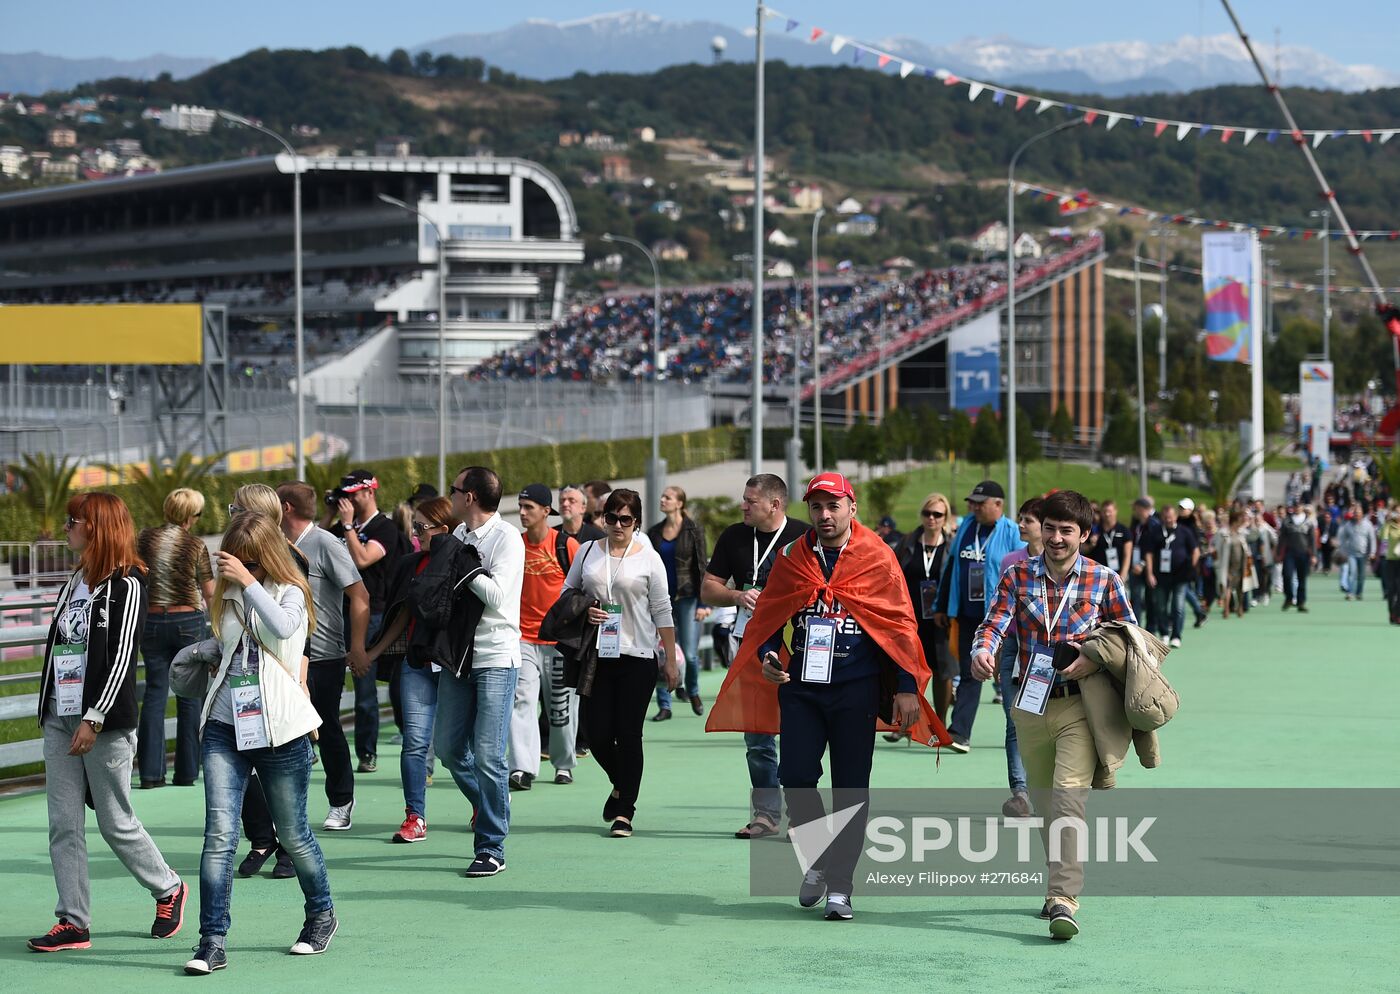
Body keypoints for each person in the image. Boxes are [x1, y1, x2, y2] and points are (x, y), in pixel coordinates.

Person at [707, 472, 946, 922]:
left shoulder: (878, 556)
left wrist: (907, 687)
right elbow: (769, 619)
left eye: (834, 505)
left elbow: (899, 626)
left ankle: (840, 886)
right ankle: (816, 859)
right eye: (816, 507)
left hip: (856, 688)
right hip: (801, 688)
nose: (825, 515)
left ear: (852, 508)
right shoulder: (792, 557)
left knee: (850, 788)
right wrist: (769, 656)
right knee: (795, 775)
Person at [971, 489, 1136, 941]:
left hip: (1080, 704)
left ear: (1085, 534)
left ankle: (1065, 897)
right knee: (1045, 804)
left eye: (1067, 530)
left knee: (1066, 797)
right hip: (1029, 701)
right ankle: (1055, 885)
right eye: (1050, 529)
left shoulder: (1104, 580)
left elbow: (1131, 636)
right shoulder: (1018, 575)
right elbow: (995, 622)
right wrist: (982, 651)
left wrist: (1096, 655)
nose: (1057, 538)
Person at [29, 492, 187, 954]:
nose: (65, 527)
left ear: (95, 527)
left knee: (116, 821)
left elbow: (121, 656)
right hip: (61, 715)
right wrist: (53, 708)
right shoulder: (74, 579)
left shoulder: (128, 584)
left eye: (72, 520)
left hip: (102, 721)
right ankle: (72, 920)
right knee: (63, 823)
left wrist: (94, 718)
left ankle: (168, 887)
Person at [182, 512, 335, 974]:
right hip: (225, 726)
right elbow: (229, 644)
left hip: (280, 728)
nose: (242, 565)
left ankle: (321, 915)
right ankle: (212, 940)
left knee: (293, 833)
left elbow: (284, 631)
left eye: (251, 559)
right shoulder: (227, 594)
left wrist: (247, 581)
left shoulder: (290, 591)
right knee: (219, 836)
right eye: (237, 557)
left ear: (266, 554)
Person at [562, 488, 678, 837]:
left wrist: (670, 659)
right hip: (597, 656)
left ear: (636, 522)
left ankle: (625, 810)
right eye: (610, 517)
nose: (616, 525)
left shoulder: (648, 558)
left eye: (624, 519)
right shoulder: (587, 552)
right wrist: (587, 609)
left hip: (638, 655)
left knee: (628, 735)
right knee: (596, 735)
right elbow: (569, 592)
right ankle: (621, 783)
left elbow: (662, 610)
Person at [700, 473, 810, 839]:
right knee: (758, 736)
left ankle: (802, 815)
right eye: (744, 500)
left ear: (774, 504)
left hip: (798, 649)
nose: (743, 506)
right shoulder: (734, 536)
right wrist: (737, 597)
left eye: (750, 500)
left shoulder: (804, 537)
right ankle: (765, 814)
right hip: (748, 646)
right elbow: (708, 589)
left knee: (798, 732)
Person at [438, 466, 525, 877]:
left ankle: (491, 845)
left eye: (454, 490)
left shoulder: (507, 538)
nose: (450, 496)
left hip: (495, 655)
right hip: (458, 656)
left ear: (469, 496)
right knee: (449, 748)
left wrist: (465, 566)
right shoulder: (458, 535)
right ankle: (491, 803)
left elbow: (496, 596)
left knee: (490, 754)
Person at [365, 496, 461, 842]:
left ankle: (485, 803)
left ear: (444, 530)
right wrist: (373, 650)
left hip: (454, 666)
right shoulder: (409, 565)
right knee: (414, 744)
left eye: (421, 527)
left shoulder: (462, 562)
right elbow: (401, 614)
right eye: (414, 525)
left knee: (458, 750)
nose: (414, 532)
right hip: (417, 664)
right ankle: (415, 816)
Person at [277, 482, 371, 832]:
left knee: (326, 727)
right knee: (286, 732)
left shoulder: (326, 543)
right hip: (284, 651)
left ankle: (341, 799)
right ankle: (285, 813)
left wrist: (357, 646)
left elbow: (360, 596)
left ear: (285, 507)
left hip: (323, 653)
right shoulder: (275, 543)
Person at [932, 480, 1025, 754]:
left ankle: (1021, 732)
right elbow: (951, 567)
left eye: (979, 503)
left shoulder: (1011, 532)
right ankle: (959, 732)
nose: (974, 507)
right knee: (970, 672)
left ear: (998, 505)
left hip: (1001, 619)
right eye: (972, 503)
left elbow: (1023, 571)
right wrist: (941, 604)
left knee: (1008, 677)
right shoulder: (967, 526)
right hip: (968, 616)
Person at [135, 487, 214, 789]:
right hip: (187, 621)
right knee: (189, 694)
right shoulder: (195, 545)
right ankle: (186, 772)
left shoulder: (144, 539)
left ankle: (151, 774)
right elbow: (208, 592)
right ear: (191, 516)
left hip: (151, 620)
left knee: (155, 694)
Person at [328, 470, 406, 774]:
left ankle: (367, 751)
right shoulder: (343, 525)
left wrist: (347, 526)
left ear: (370, 492)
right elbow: (312, 545)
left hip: (374, 613)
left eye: (353, 495)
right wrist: (329, 515)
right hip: (343, 612)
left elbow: (362, 559)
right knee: (337, 683)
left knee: (367, 689)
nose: (347, 500)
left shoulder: (383, 528)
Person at [508, 484, 580, 790]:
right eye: (520, 507)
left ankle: (563, 763)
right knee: (520, 701)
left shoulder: (566, 545)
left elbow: (584, 586)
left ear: (545, 512)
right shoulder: (515, 545)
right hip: (523, 638)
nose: (522, 513)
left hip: (559, 643)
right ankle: (523, 767)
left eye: (529, 507)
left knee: (560, 708)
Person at [993, 496, 1044, 818]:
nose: (1021, 525)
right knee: (1016, 721)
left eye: (1028, 520)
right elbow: (999, 608)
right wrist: (995, 646)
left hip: (1048, 652)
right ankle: (1021, 793)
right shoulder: (1011, 561)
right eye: (1020, 519)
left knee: (1046, 721)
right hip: (1014, 646)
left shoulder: (1065, 564)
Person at [891, 492, 956, 733]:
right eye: (927, 513)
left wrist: (950, 611)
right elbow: (893, 574)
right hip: (910, 618)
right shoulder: (907, 543)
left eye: (937, 514)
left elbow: (955, 581)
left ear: (945, 517)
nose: (931, 519)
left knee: (942, 671)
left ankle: (939, 723)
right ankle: (905, 724)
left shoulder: (951, 545)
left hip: (940, 619)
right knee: (908, 670)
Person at [646, 485, 710, 720]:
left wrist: (705, 603)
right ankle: (665, 705)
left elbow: (702, 566)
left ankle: (692, 690)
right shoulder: (653, 533)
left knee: (690, 654)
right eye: (662, 496)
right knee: (661, 653)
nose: (662, 500)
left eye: (668, 497)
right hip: (659, 600)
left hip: (687, 597)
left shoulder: (694, 530)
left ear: (680, 503)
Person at [1152, 503, 1200, 648]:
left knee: (1178, 606)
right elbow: (1148, 553)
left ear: (1175, 517)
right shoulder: (1156, 532)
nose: (1169, 520)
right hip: (1161, 575)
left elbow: (1195, 550)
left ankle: (1176, 635)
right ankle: (1164, 633)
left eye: (1171, 517)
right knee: (1161, 605)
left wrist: (1191, 567)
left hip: (1181, 575)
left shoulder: (1184, 531)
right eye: (1166, 517)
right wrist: (1149, 572)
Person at [1128, 497, 1160, 631]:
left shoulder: (1153, 524)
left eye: (1135, 508)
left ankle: (1151, 629)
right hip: (1135, 566)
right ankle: (1137, 628)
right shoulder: (1137, 523)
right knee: (1135, 597)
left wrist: (1142, 564)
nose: (1133, 511)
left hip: (1148, 566)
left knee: (1150, 599)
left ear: (1141, 508)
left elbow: (1152, 548)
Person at [1280, 503, 1317, 613]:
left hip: (1303, 553)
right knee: (1287, 575)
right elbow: (1282, 538)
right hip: (1289, 553)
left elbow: (1312, 540)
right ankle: (1289, 598)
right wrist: (1278, 553)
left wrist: (1313, 555)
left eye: (1299, 506)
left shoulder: (1309, 522)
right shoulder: (1287, 521)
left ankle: (1301, 602)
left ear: (1302, 507)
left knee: (1302, 579)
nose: (1297, 508)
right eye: (1295, 506)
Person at [1084, 498, 1132, 581]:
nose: (1107, 514)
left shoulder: (1124, 530)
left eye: (1110, 511)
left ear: (1116, 511)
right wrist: (1091, 545)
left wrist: (1123, 576)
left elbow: (1127, 555)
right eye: (1104, 511)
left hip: (1117, 574)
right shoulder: (1094, 530)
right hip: (1097, 575)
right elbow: (1083, 550)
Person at [1215, 509, 1251, 618]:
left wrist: (1254, 522)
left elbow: (1254, 535)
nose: (1242, 522)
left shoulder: (1242, 533)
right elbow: (1217, 548)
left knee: (1241, 586)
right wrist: (1217, 563)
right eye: (1241, 520)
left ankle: (1239, 607)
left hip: (1241, 563)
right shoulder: (1223, 533)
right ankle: (1226, 609)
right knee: (1227, 586)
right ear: (1235, 521)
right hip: (1227, 564)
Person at [1337, 508, 1376, 601]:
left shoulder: (1368, 525)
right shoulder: (1348, 525)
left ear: (1362, 514)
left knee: (1361, 576)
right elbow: (1343, 539)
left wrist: (1372, 552)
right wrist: (1343, 551)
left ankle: (1359, 593)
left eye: (1358, 513)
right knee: (1352, 573)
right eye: (1355, 513)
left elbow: (1372, 539)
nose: (1357, 515)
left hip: (1363, 554)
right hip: (1351, 553)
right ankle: (1350, 592)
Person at [1380, 504, 1400, 623]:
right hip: (1391, 560)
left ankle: (1398, 614)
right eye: (1396, 512)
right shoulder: (1388, 525)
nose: (1398, 514)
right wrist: (1385, 522)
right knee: (1391, 590)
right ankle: (1392, 613)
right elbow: (1383, 538)